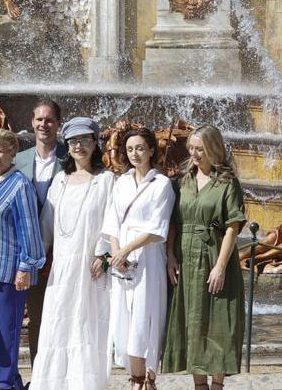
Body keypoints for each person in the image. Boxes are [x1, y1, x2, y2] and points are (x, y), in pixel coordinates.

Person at [31, 117, 115, 390]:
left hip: (91, 266)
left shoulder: (105, 180)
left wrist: (103, 255)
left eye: (85, 141)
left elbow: (111, 222)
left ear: (95, 144)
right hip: (63, 266)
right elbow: (47, 223)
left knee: (87, 323)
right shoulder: (60, 180)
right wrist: (35, 258)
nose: (79, 146)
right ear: (67, 146)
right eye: (74, 141)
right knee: (58, 323)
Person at [162, 125, 247, 389]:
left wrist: (220, 267)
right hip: (185, 257)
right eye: (191, 148)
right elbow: (174, 221)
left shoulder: (227, 182)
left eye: (200, 148)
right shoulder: (183, 181)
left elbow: (233, 227)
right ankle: (199, 384)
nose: (194, 154)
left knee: (218, 319)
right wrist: (169, 255)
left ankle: (217, 384)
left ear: (213, 149)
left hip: (214, 255)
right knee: (192, 318)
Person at [103, 127, 174, 390]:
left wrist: (126, 249)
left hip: (148, 259)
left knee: (144, 317)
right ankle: (134, 377)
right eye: (130, 149)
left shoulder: (162, 184)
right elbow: (112, 221)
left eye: (140, 148)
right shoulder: (121, 182)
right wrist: (116, 250)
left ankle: (145, 379)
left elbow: (158, 228)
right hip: (121, 261)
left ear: (152, 150)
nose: (135, 153)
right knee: (123, 317)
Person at [0, 129, 45, 390]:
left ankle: (5, 383)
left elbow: (29, 226)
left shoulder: (20, 183)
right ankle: (10, 380)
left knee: (8, 332)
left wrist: (26, 266)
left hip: (10, 270)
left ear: (12, 154)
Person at [12, 99, 66, 367]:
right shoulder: (19, 159)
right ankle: (39, 371)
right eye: (39, 120)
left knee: (63, 315)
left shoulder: (71, 158)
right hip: (30, 252)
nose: (44, 124)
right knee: (36, 316)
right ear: (32, 123)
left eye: (49, 120)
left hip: (64, 249)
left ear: (58, 124)